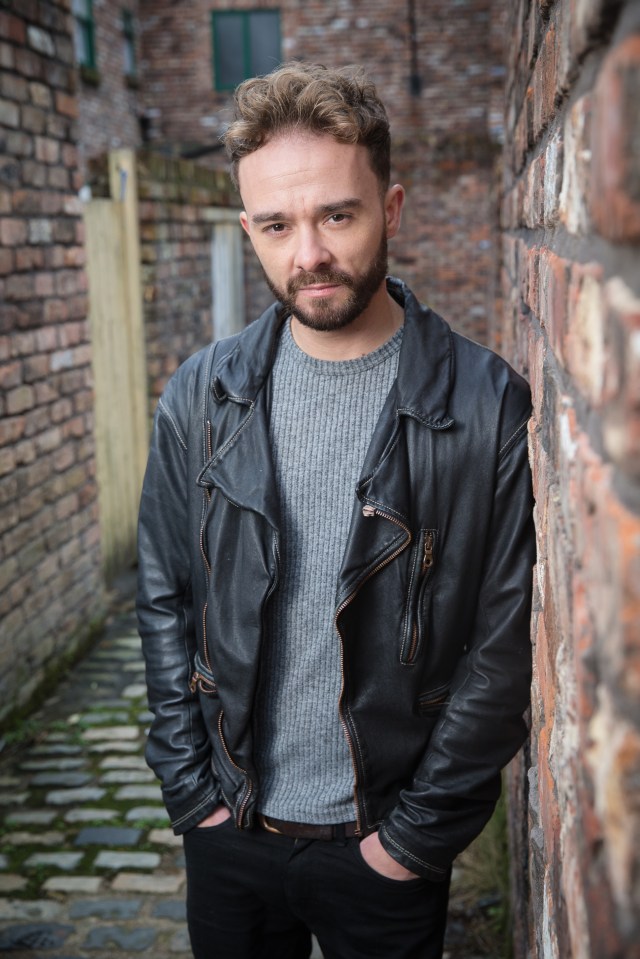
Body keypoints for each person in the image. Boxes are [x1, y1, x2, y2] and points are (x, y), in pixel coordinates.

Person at [137, 61, 535, 959]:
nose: (307, 253)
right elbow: (163, 595)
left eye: (337, 215)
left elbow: (503, 647)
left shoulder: (484, 405)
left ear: (389, 210)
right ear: (249, 230)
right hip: (229, 831)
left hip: (384, 846)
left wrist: (411, 843)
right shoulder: (201, 396)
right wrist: (191, 793)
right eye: (276, 225)